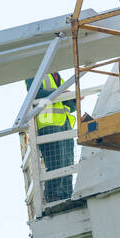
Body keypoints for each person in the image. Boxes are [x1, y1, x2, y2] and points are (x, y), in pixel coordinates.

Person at [25, 71, 75, 203]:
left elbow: (71, 107)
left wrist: (73, 98)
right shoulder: (33, 73)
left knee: (68, 162)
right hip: (48, 125)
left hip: (64, 124)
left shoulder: (57, 76)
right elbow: (34, 94)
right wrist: (60, 92)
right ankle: (52, 196)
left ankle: (67, 196)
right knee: (56, 162)